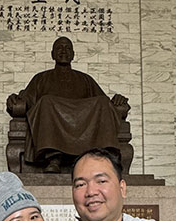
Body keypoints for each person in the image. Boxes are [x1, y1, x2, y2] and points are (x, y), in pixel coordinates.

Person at [7, 36, 130, 173]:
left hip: (83, 122)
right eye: (59, 48)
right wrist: (14, 100)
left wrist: (119, 100)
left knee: (101, 102)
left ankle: (101, 159)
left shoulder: (85, 79)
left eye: (67, 48)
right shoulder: (40, 78)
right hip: (52, 115)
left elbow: (104, 103)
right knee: (46, 101)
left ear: (73, 55)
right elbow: (25, 101)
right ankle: (54, 158)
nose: (64, 51)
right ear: (52, 54)